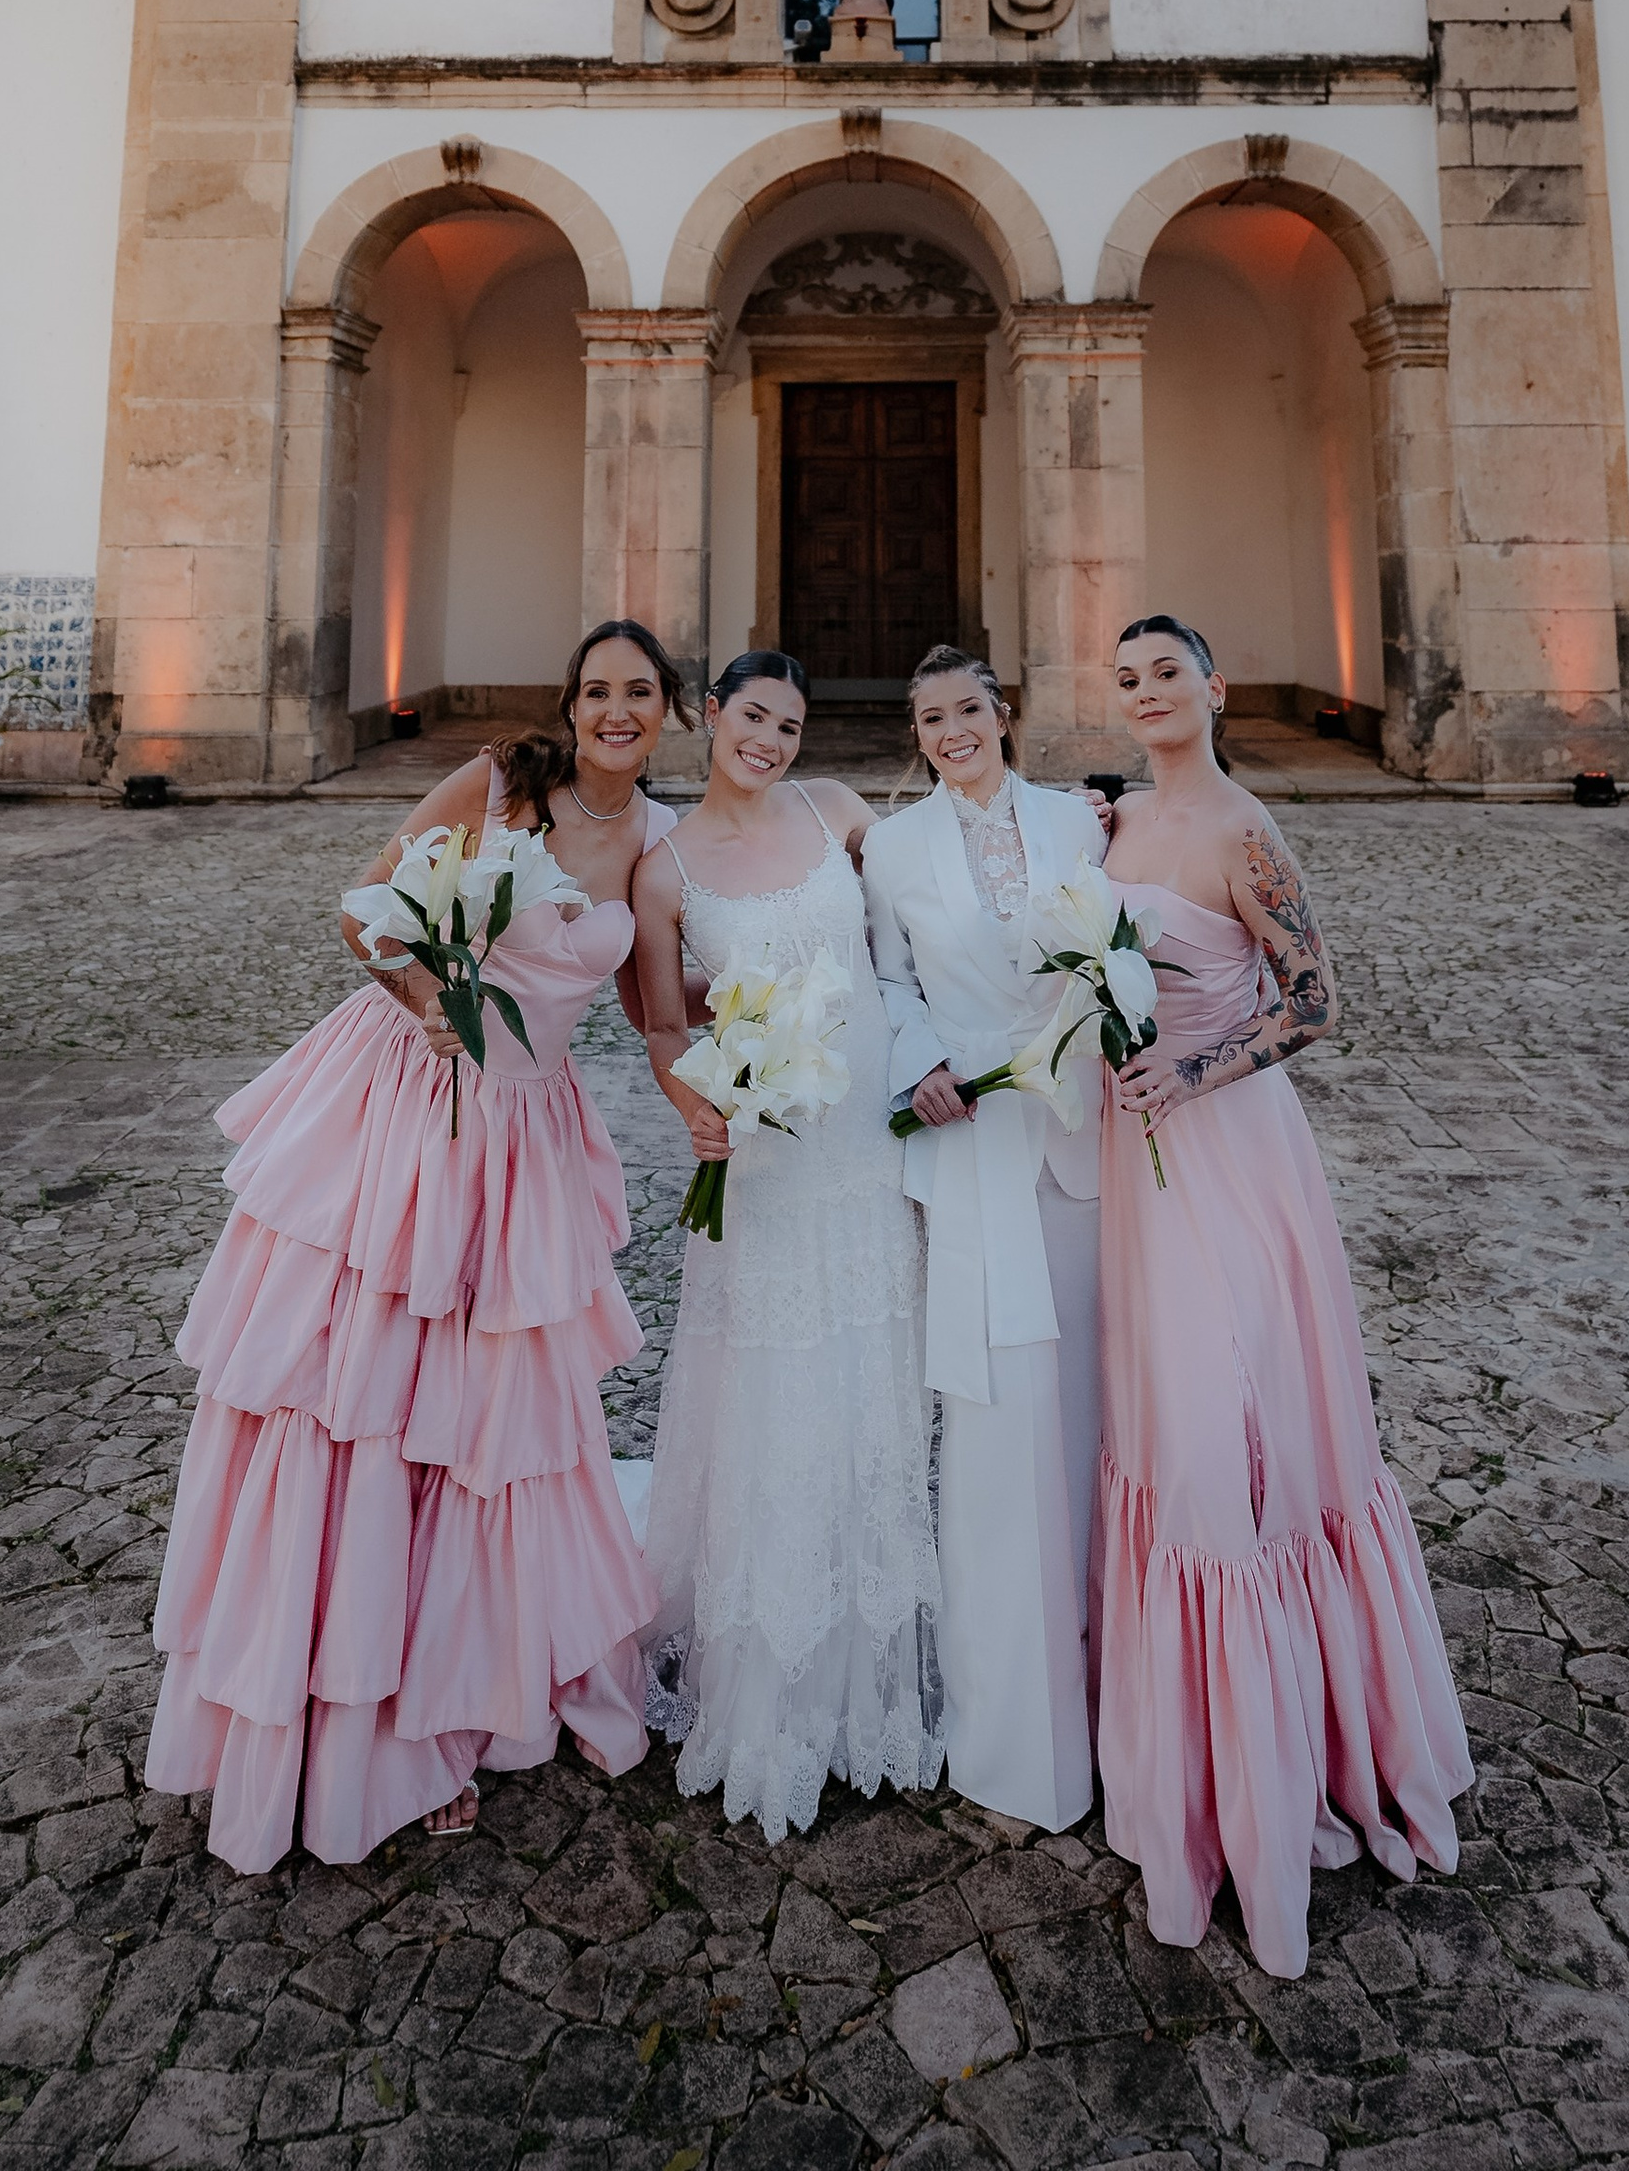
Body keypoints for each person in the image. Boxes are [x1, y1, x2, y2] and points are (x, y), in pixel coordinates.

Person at [143, 622, 685, 1871]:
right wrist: (432, 999)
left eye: (640, 694)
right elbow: (363, 912)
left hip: (522, 1141)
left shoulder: (660, 847)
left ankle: (460, 1693)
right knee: (358, 1402)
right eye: (596, 689)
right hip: (402, 1107)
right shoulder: (498, 785)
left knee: (488, 1422)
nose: (616, 711)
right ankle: (350, 1708)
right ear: (570, 701)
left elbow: (656, 1013)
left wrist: (744, 1087)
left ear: (670, 712)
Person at [1092, 613, 1472, 1981]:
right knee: (1160, 1417)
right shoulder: (1115, 820)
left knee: (1232, 1431)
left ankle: (1283, 1749)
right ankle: (1178, 1745)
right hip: (1133, 1165)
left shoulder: (1245, 832)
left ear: (1216, 684)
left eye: (1168, 673)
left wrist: (1191, 1075)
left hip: (1231, 1153)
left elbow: (1315, 999)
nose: (1147, 694)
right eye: (1127, 678)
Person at [633, 649, 941, 1839]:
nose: (771, 740)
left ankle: (871, 1667)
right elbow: (664, 1016)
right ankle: (770, 1680)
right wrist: (692, 1104)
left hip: (862, 1137)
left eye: (791, 725)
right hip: (762, 1155)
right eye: (753, 717)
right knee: (772, 1383)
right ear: (712, 718)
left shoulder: (843, 812)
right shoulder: (662, 871)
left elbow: (939, 888)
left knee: (869, 1373)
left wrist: (1084, 821)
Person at [863, 645, 1107, 1832]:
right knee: (1000, 1430)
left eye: (968, 709)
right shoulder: (894, 847)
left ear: (1004, 715)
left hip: (1085, 1155)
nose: (951, 730)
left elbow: (1119, 956)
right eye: (929, 718)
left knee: (1099, 1412)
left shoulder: (1079, 824)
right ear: (915, 736)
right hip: (970, 1149)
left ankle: (1124, 1689)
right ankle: (1012, 1732)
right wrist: (922, 1066)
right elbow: (886, 981)